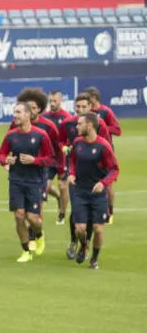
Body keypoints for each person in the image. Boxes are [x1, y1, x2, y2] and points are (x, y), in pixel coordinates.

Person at [0, 103, 56, 263]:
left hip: (35, 181)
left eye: (18, 112)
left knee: (32, 218)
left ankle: (39, 234)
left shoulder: (41, 135)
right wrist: (5, 160)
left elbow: (50, 158)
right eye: (14, 112)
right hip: (16, 180)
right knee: (19, 215)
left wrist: (34, 160)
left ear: (28, 115)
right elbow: (1, 154)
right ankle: (25, 251)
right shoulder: (11, 136)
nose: (15, 115)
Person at [60, 94, 110, 259]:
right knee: (76, 215)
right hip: (78, 178)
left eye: (83, 107)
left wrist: (105, 178)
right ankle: (76, 241)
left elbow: (107, 148)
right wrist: (65, 153)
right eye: (77, 107)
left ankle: (87, 247)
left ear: (90, 108)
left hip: (96, 177)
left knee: (93, 222)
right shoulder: (69, 124)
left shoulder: (100, 126)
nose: (79, 110)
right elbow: (62, 142)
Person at [11, 88, 63, 246]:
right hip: (21, 171)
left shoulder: (48, 126)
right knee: (21, 213)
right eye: (28, 107)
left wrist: (61, 170)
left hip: (43, 169)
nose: (30, 111)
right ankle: (31, 235)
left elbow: (58, 149)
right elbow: (9, 143)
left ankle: (34, 234)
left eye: (34, 108)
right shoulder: (15, 124)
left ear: (40, 108)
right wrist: (8, 160)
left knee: (37, 204)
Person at [68, 112, 119, 269]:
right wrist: (70, 173)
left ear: (89, 125)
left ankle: (94, 259)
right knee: (79, 229)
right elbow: (72, 161)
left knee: (97, 229)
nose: (77, 127)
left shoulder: (103, 146)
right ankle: (84, 246)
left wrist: (103, 183)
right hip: (80, 191)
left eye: (79, 124)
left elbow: (114, 169)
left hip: (97, 193)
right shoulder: (77, 143)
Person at [84, 86, 121, 224]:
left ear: (93, 98)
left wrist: (103, 126)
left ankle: (110, 211)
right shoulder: (86, 115)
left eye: (88, 98)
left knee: (108, 183)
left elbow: (118, 130)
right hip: (90, 151)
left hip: (105, 151)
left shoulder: (105, 112)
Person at [43, 91, 74, 225]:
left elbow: (71, 137)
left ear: (61, 101)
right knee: (46, 187)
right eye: (51, 101)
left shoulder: (66, 118)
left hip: (62, 157)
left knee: (63, 186)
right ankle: (58, 197)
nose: (53, 103)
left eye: (55, 101)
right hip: (48, 158)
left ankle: (62, 213)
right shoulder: (44, 117)